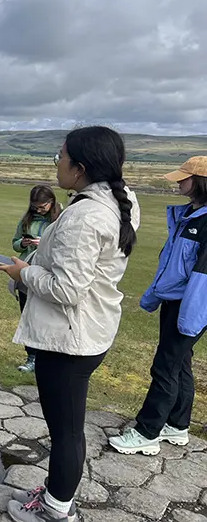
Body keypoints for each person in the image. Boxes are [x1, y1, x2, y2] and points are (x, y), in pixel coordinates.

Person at [0, 126, 140, 522]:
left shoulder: (84, 216)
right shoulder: (119, 199)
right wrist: (47, 250)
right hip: (90, 331)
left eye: (59, 156)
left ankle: (56, 509)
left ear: (79, 168)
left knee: (66, 432)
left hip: (68, 339)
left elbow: (67, 289)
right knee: (69, 428)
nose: (55, 163)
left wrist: (24, 274)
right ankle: (57, 494)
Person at [109, 157, 207, 455]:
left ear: (201, 182)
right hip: (177, 302)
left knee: (165, 366)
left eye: (184, 178)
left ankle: (147, 432)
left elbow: (203, 278)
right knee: (180, 364)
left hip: (189, 306)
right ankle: (177, 425)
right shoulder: (190, 214)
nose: (178, 182)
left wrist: (189, 320)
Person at [10, 184, 62, 373]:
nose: (39, 210)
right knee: (27, 314)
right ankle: (31, 356)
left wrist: (44, 243)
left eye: (42, 207)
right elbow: (15, 243)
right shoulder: (27, 219)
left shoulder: (61, 218)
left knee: (46, 317)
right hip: (27, 270)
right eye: (35, 207)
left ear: (51, 202)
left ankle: (48, 357)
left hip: (48, 272)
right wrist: (22, 242)